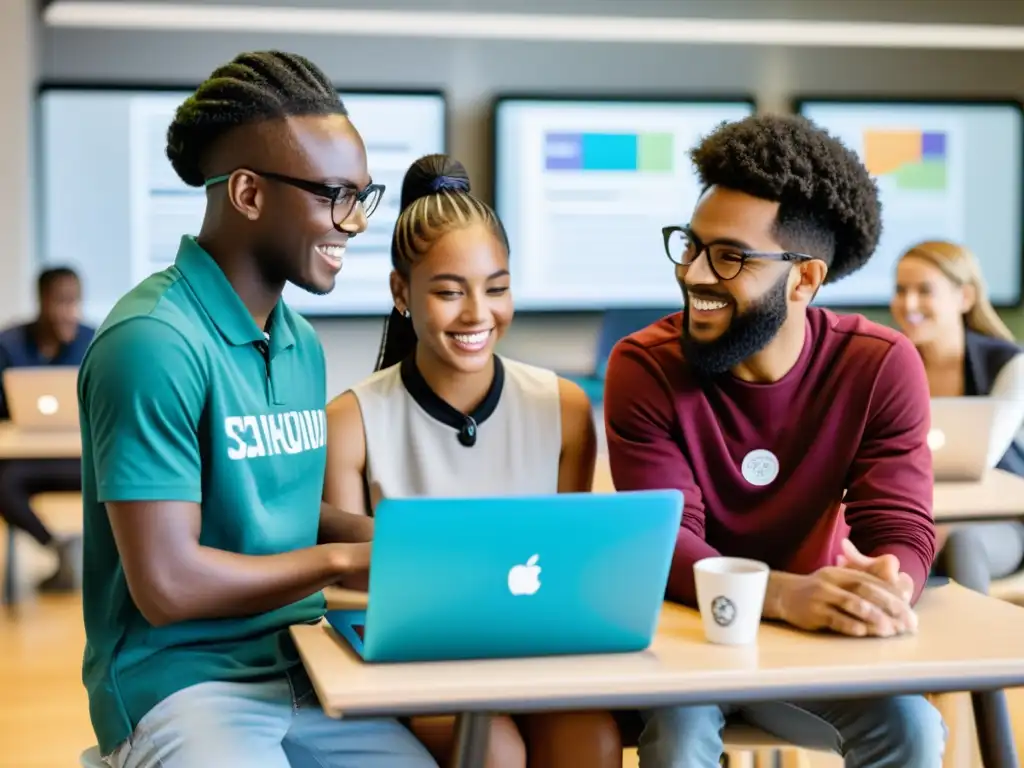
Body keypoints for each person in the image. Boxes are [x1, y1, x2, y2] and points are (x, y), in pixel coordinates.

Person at [77, 51, 437, 768]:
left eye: (362, 197)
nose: (355, 224)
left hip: (303, 660)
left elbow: (283, 509)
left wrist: (422, 538)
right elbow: (169, 585)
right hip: (181, 683)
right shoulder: (152, 343)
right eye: (335, 195)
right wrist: (342, 557)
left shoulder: (296, 342)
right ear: (246, 193)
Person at [603, 114, 946, 767]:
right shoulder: (643, 367)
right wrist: (787, 593)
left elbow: (900, 523)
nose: (696, 274)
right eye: (691, 245)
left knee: (914, 729)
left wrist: (885, 587)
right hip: (684, 632)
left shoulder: (878, 365)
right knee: (679, 739)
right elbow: (668, 539)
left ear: (805, 279)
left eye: (729, 256)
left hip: (809, 641)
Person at [323, 153, 623, 768]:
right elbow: (348, 586)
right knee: (495, 751)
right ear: (401, 292)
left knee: (591, 740)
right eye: (448, 292)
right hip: (420, 659)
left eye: (497, 288)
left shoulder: (563, 409)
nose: (477, 315)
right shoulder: (352, 421)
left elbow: (570, 564)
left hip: (540, 651)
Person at [891, 240, 1024, 595]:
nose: (909, 304)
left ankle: (976, 649)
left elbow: (983, 457)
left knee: (959, 542)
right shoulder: (887, 362)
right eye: (901, 290)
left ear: (964, 298)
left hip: (998, 524)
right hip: (914, 514)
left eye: (924, 291)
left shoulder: (1010, 365)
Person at [0, 266, 94, 591]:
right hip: (28, 461)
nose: (68, 311)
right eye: (60, 301)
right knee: (3, 483)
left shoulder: (93, 341)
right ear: (41, 301)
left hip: (81, 461)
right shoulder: (9, 344)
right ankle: (58, 547)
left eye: (74, 301)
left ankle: (109, 564)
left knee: (120, 473)